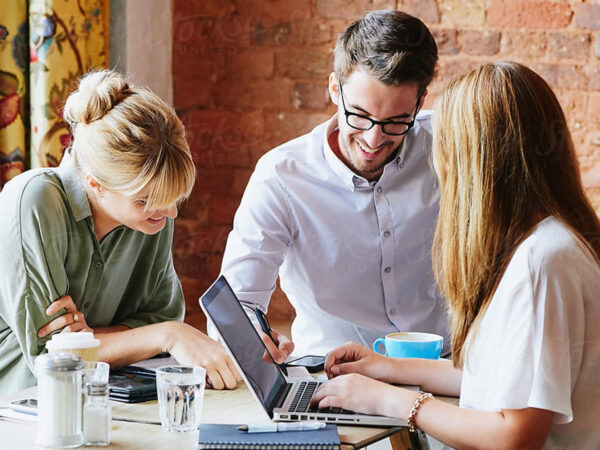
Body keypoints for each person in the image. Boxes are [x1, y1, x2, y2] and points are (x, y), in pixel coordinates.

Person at [311, 61, 600, 449]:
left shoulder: (542, 263)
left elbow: (515, 437)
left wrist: (391, 400)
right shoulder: (547, 243)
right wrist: (388, 369)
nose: (438, 162)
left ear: (477, 160)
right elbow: (502, 380)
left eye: (445, 146)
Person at [216, 10, 449, 362]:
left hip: (439, 369)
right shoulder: (281, 177)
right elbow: (236, 304)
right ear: (333, 89)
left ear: (420, 102)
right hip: (332, 375)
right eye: (360, 115)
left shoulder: (450, 147)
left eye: (397, 122)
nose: (374, 139)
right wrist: (253, 337)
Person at [0, 70, 241, 395]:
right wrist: (167, 335)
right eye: (146, 201)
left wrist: (91, 338)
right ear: (94, 184)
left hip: (104, 400)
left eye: (173, 198)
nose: (170, 213)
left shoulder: (152, 216)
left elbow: (159, 314)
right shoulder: (34, 202)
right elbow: (52, 359)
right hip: (21, 407)